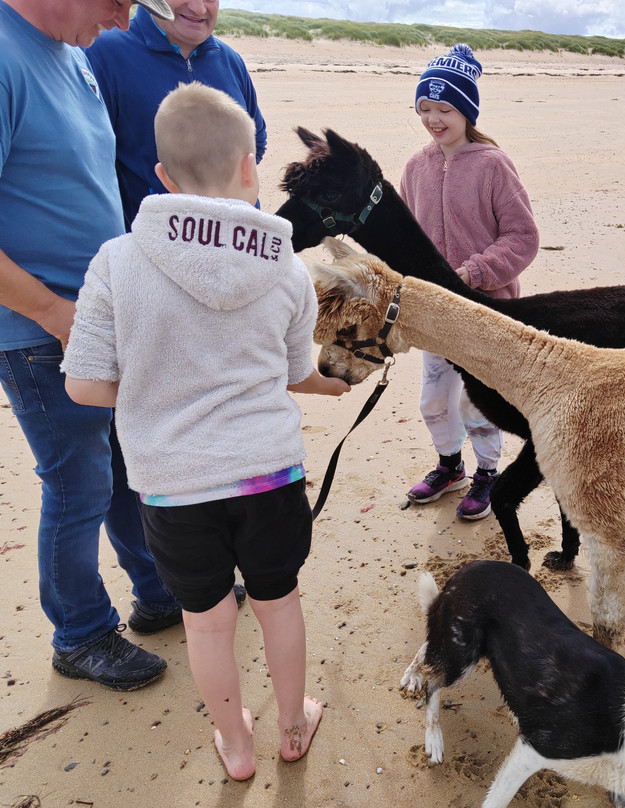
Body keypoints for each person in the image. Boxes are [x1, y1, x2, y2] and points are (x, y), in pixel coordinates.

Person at [61, 82, 348, 780]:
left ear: (162, 178)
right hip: (268, 475)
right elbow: (287, 373)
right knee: (279, 604)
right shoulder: (286, 269)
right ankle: (290, 726)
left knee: (208, 621)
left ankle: (238, 749)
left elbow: (84, 385)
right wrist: (332, 384)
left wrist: (162, 387)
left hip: (172, 486)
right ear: (250, 167)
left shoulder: (117, 261)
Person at [0, 0, 189, 692]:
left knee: (120, 462)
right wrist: (55, 312)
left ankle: (160, 591)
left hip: (95, 315)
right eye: (115, 3)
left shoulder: (73, 55)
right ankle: (79, 635)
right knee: (77, 485)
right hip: (40, 330)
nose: (119, 22)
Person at [400, 43, 539, 520]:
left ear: (467, 110)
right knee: (434, 400)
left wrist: (474, 272)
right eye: (425, 108)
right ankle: (449, 466)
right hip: (435, 314)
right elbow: (406, 240)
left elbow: (522, 237)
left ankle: (487, 473)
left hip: (486, 312)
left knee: (479, 404)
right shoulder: (415, 168)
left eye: (445, 109)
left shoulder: (493, 165)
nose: (434, 119)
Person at [86, 0, 267, 230]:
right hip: (153, 248)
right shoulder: (102, 53)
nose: (199, 9)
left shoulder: (230, 61)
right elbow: (90, 164)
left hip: (240, 244)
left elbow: (256, 142)